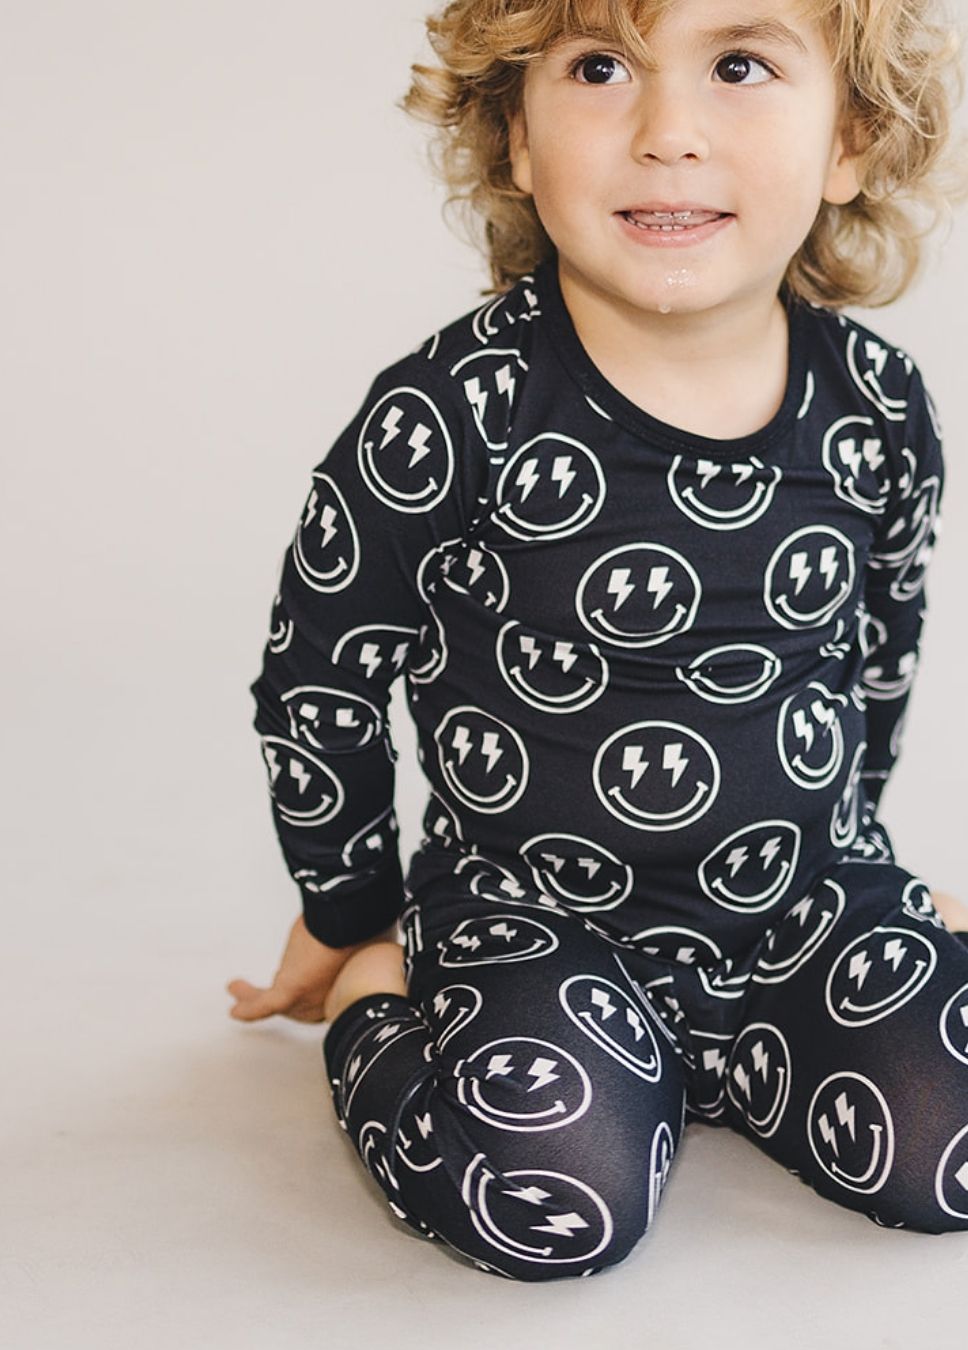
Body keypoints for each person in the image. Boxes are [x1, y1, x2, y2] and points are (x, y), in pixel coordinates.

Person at [227, 0, 968, 1280]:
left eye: (740, 65)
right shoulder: (458, 412)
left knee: (949, 1150)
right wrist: (344, 911)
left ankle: (739, 1061)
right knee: (555, 1198)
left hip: (795, 912)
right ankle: (380, 1007)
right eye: (599, 67)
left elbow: (874, 657)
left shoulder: (879, 406)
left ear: (851, 138)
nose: (667, 131)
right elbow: (320, 674)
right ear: (515, 136)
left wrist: (872, 874)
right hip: (538, 923)